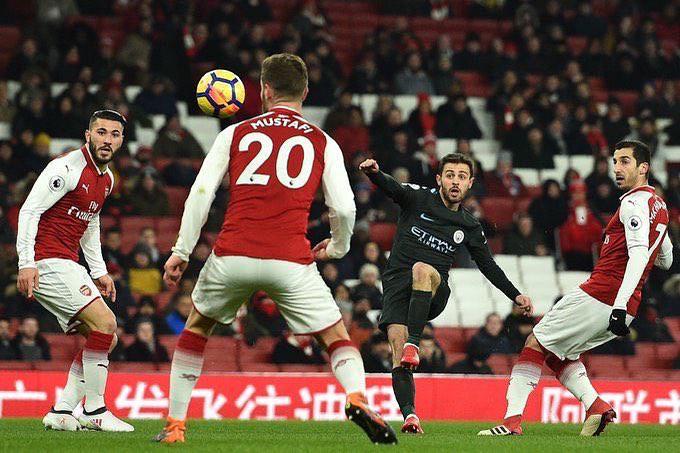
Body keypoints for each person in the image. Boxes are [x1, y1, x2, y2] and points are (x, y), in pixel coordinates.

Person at [154, 54, 396, 445]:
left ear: (265, 90)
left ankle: (175, 426)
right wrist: (337, 247)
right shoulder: (323, 141)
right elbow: (345, 208)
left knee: (197, 329)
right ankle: (356, 397)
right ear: (305, 91)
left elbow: (200, 193)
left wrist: (182, 250)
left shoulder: (235, 134)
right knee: (336, 337)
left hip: (232, 254)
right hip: (290, 259)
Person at [479, 140, 672, 437]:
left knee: (535, 341)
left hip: (604, 295)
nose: (617, 168)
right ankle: (596, 406)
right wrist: (624, 302)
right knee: (560, 353)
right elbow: (666, 259)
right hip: (628, 303)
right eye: (615, 161)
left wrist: (618, 304)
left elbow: (637, 255)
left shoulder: (632, 203)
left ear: (643, 167)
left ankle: (512, 422)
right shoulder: (659, 207)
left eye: (625, 161)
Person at [359, 153, 532, 434]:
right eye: (450, 175)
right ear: (439, 179)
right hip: (396, 288)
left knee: (421, 270)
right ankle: (410, 416)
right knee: (398, 355)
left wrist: (515, 295)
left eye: (462, 177)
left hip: (433, 290)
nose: (455, 182)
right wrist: (374, 174)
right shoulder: (418, 198)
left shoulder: (469, 224)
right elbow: (394, 188)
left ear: (470, 183)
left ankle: (414, 343)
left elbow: (488, 265)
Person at [15, 109, 133, 431]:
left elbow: (90, 222)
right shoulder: (65, 168)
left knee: (105, 339)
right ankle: (95, 410)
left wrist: (99, 271)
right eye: (101, 132)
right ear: (88, 135)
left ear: (122, 141)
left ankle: (62, 410)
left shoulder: (107, 179)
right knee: (106, 323)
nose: (107, 140)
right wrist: (26, 263)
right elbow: (29, 211)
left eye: (114, 135)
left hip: (69, 263)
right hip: (46, 262)